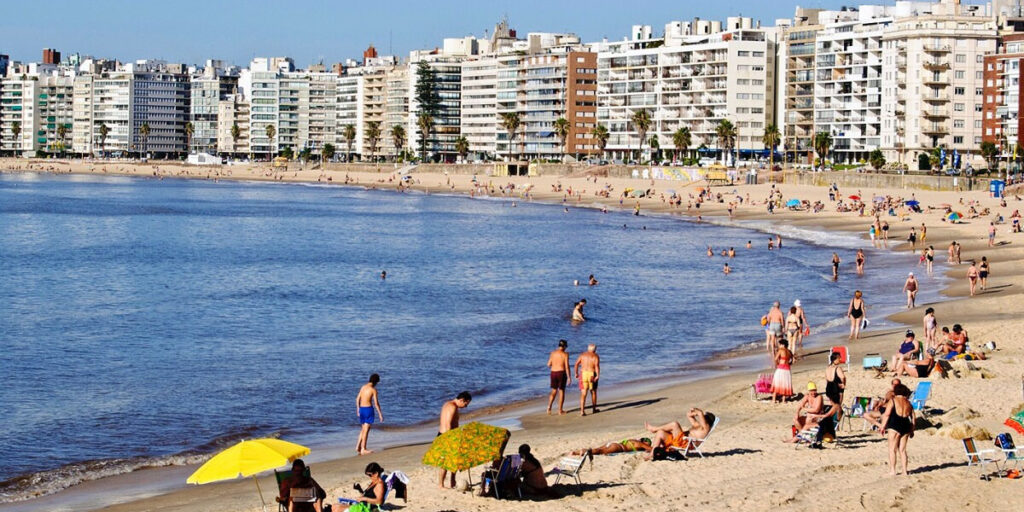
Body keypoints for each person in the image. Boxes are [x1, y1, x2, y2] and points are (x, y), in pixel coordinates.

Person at [437, 392, 472, 488]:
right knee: (445, 462)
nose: (465, 407)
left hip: (448, 435)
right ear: (462, 400)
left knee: (455, 460)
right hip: (447, 436)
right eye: (466, 404)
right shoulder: (452, 406)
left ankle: (452, 482)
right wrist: (450, 439)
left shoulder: (449, 405)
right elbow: (448, 424)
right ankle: (441, 485)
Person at [644, 408, 714, 456]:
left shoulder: (706, 428)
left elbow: (700, 412)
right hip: (680, 440)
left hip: (686, 443)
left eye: (704, 417)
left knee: (675, 424)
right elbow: (689, 415)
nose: (702, 417)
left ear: (707, 420)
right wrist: (693, 412)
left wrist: (696, 410)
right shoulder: (698, 425)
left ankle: (654, 429)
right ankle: (653, 452)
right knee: (660, 432)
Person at [880, 384, 915, 476]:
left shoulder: (893, 400)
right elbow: (913, 418)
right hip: (906, 425)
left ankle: (893, 470)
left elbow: (887, 414)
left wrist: (882, 426)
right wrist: (912, 430)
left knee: (892, 449)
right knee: (902, 450)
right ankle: (904, 471)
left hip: (895, 425)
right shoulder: (909, 403)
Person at [356, 374, 384, 455]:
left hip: (362, 409)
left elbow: (357, 399)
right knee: (366, 430)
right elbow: (376, 403)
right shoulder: (373, 390)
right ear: (375, 382)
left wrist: (358, 409)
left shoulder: (363, 387)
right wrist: (380, 414)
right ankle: (363, 448)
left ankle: (358, 446)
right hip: (368, 409)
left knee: (363, 429)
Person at [546, 339, 571, 415]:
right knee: (561, 391)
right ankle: (560, 410)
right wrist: (569, 377)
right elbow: (567, 366)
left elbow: (548, 364)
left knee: (554, 390)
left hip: (553, 373)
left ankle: (549, 407)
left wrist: (555, 364)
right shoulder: (565, 354)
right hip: (561, 373)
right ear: (564, 346)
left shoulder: (552, 353)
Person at [574, 344, 600, 416]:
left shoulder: (582, 355)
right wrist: (597, 375)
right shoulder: (595, 356)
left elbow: (576, 364)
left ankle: (582, 411)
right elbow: (597, 366)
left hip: (583, 374)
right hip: (591, 374)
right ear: (594, 350)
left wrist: (576, 373)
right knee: (593, 392)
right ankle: (594, 409)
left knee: (583, 393)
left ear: (588, 349)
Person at [571, 437, 653, 456]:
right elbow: (651, 449)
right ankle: (584, 452)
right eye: (647, 443)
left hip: (614, 444)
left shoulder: (634, 440)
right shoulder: (640, 444)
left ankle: (575, 452)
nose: (646, 446)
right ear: (644, 442)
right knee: (600, 452)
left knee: (598, 449)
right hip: (618, 447)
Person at [772, 339, 794, 403]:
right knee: (785, 384)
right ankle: (784, 400)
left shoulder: (781, 350)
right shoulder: (789, 351)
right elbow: (793, 360)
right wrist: (789, 364)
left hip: (781, 368)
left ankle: (773, 399)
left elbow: (775, 359)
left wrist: (777, 364)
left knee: (777, 383)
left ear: (782, 345)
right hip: (787, 369)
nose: (779, 346)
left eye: (779, 344)